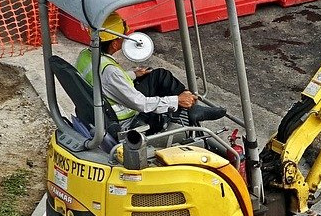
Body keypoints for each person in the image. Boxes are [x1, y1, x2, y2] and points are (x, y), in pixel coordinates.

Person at [76, 15, 220, 135]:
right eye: (122, 37)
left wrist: (133, 74)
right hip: (124, 117)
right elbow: (141, 103)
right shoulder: (110, 71)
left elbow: (103, 80)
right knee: (165, 91)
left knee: (159, 75)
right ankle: (188, 106)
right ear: (114, 44)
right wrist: (176, 101)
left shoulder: (85, 56)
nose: (125, 38)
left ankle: (191, 106)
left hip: (103, 103)